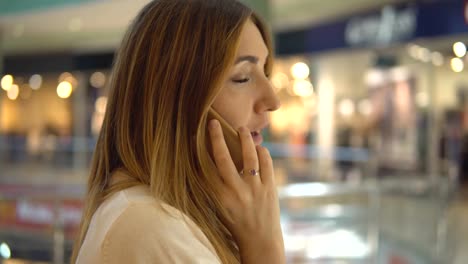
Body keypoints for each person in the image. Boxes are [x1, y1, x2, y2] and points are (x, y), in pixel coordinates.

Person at [71, 0, 284, 263]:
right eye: (242, 77)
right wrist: (266, 248)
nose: (273, 101)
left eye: (265, 72)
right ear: (173, 102)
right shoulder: (151, 229)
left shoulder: (178, 217)